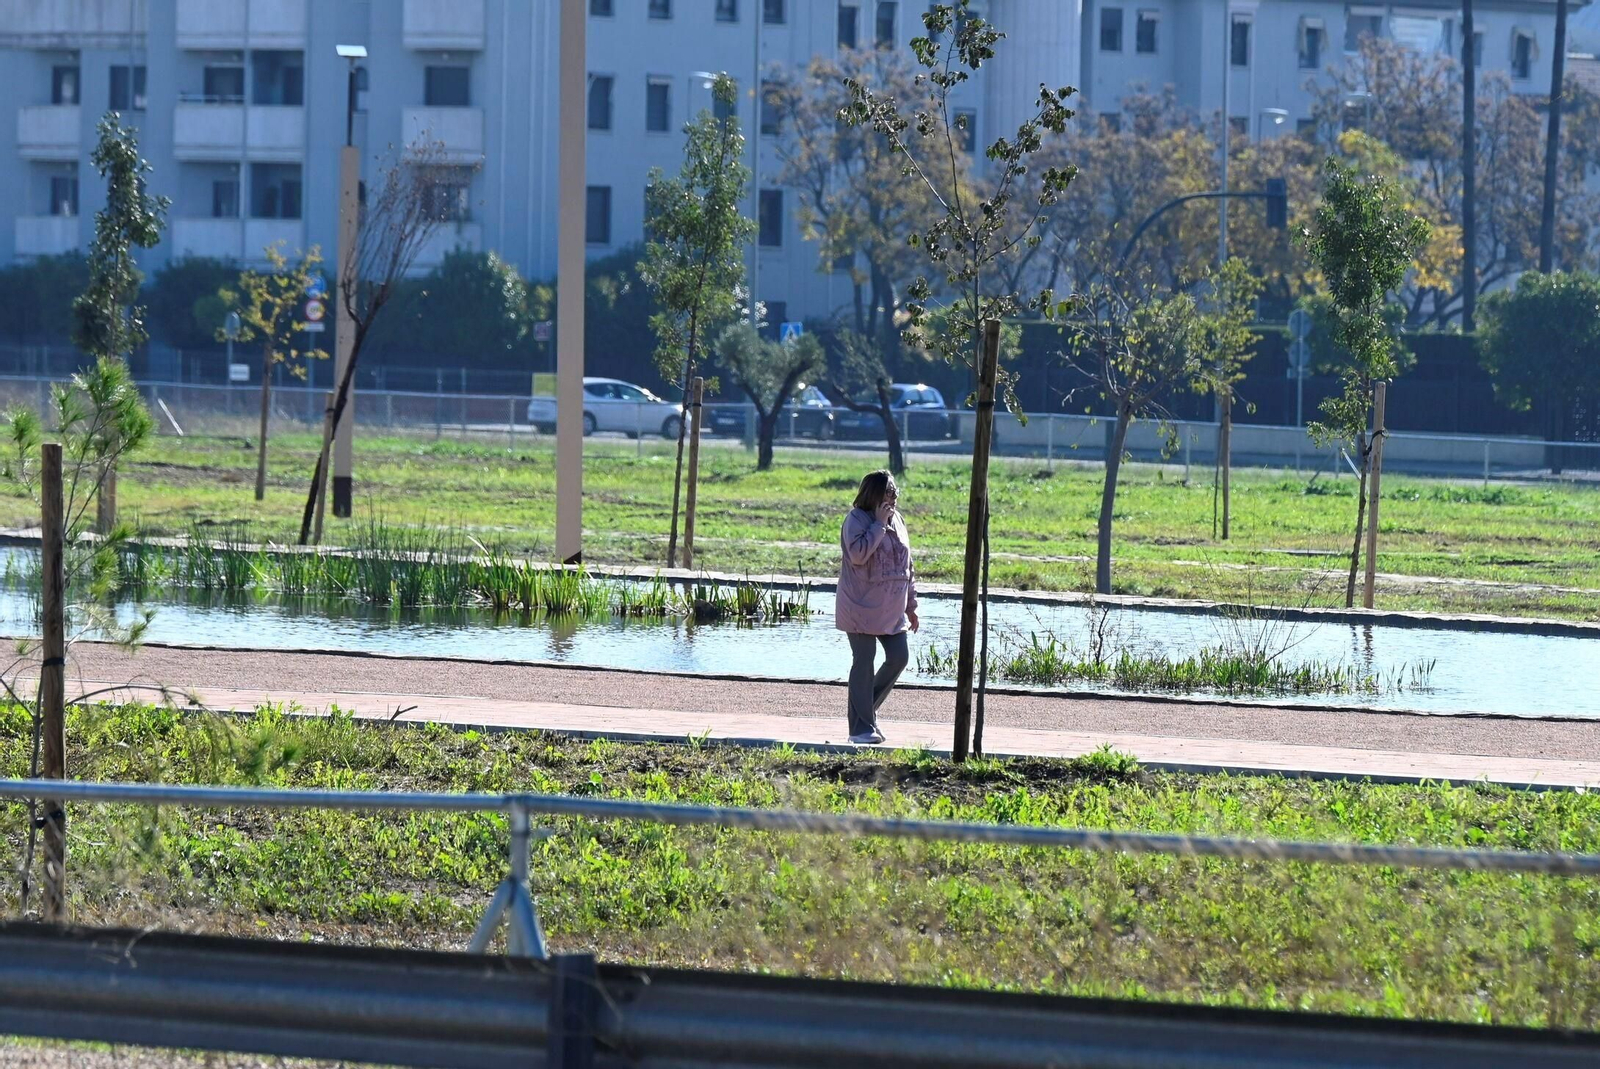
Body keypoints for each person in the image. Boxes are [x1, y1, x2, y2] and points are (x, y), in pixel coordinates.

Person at [836, 469, 919, 745]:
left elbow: (907, 565)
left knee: (899, 656)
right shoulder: (856, 520)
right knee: (864, 660)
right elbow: (858, 555)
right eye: (888, 491)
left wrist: (911, 605)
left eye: (895, 492)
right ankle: (860, 729)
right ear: (874, 493)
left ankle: (865, 714)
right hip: (859, 605)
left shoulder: (898, 520)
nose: (894, 497)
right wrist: (879, 525)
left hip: (891, 609)